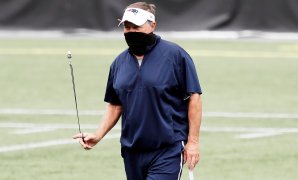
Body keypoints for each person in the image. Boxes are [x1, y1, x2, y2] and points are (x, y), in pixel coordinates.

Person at [73, 2, 202, 180]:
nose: (131, 31)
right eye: (127, 27)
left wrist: (193, 142)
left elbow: (194, 97)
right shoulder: (118, 63)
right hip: (131, 151)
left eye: (136, 26)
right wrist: (98, 135)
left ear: (152, 25)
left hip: (167, 149)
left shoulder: (175, 55)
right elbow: (115, 104)